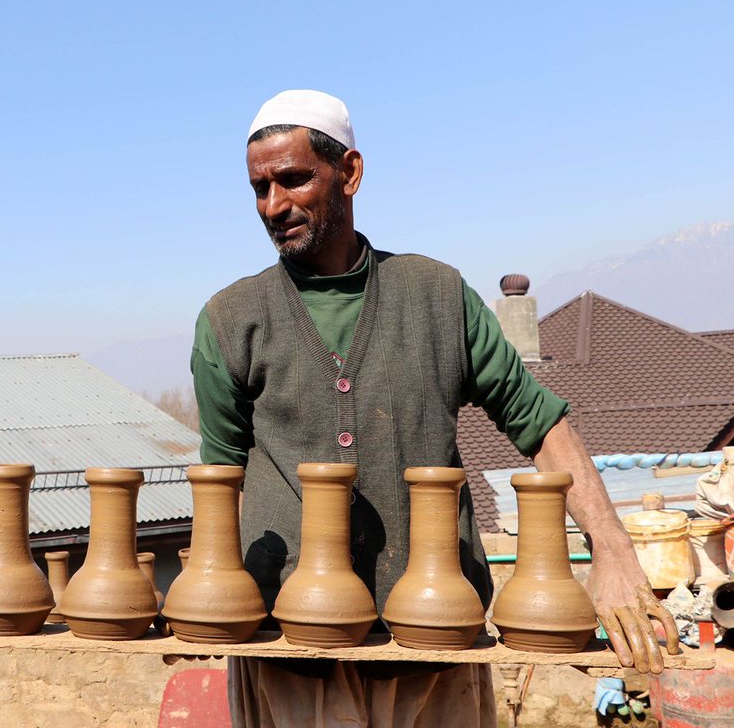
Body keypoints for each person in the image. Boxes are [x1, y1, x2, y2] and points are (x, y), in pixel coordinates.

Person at [191, 90, 680, 727]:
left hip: (434, 645)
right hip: (291, 652)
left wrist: (613, 553)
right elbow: (218, 483)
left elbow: (539, 421)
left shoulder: (436, 296)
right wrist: (208, 607)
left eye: (294, 179)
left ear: (351, 172)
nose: (273, 205)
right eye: (260, 188)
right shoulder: (230, 320)